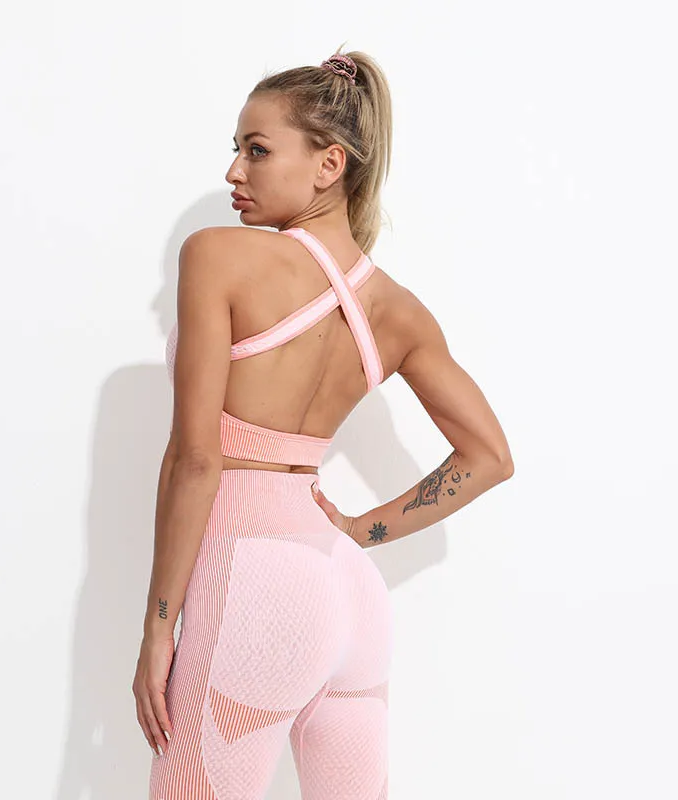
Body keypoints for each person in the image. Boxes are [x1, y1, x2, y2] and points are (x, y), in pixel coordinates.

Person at [133, 47, 514, 799]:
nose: (234, 171)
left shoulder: (217, 256)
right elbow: (490, 456)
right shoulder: (397, 310)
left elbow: (196, 460)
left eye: (257, 149)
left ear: (329, 164)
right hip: (348, 593)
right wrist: (358, 533)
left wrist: (158, 626)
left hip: (250, 582)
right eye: (236, 149)